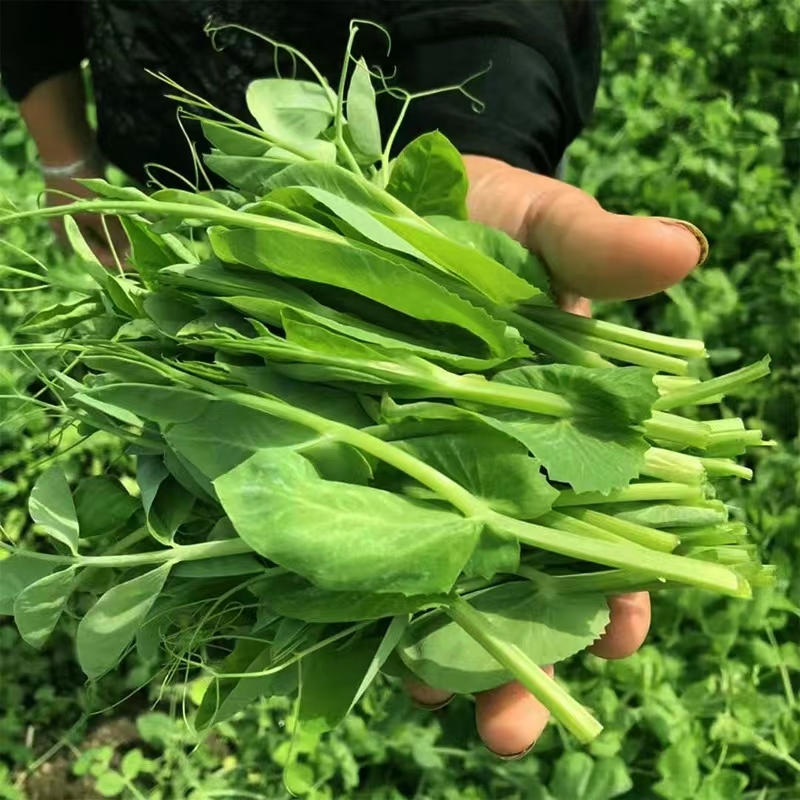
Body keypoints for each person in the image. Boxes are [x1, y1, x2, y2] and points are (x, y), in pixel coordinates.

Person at [0, 0, 706, 760]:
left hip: (402, 149)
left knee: (441, 328)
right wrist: (63, 149)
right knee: (230, 321)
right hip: (192, 176)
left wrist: (493, 121)